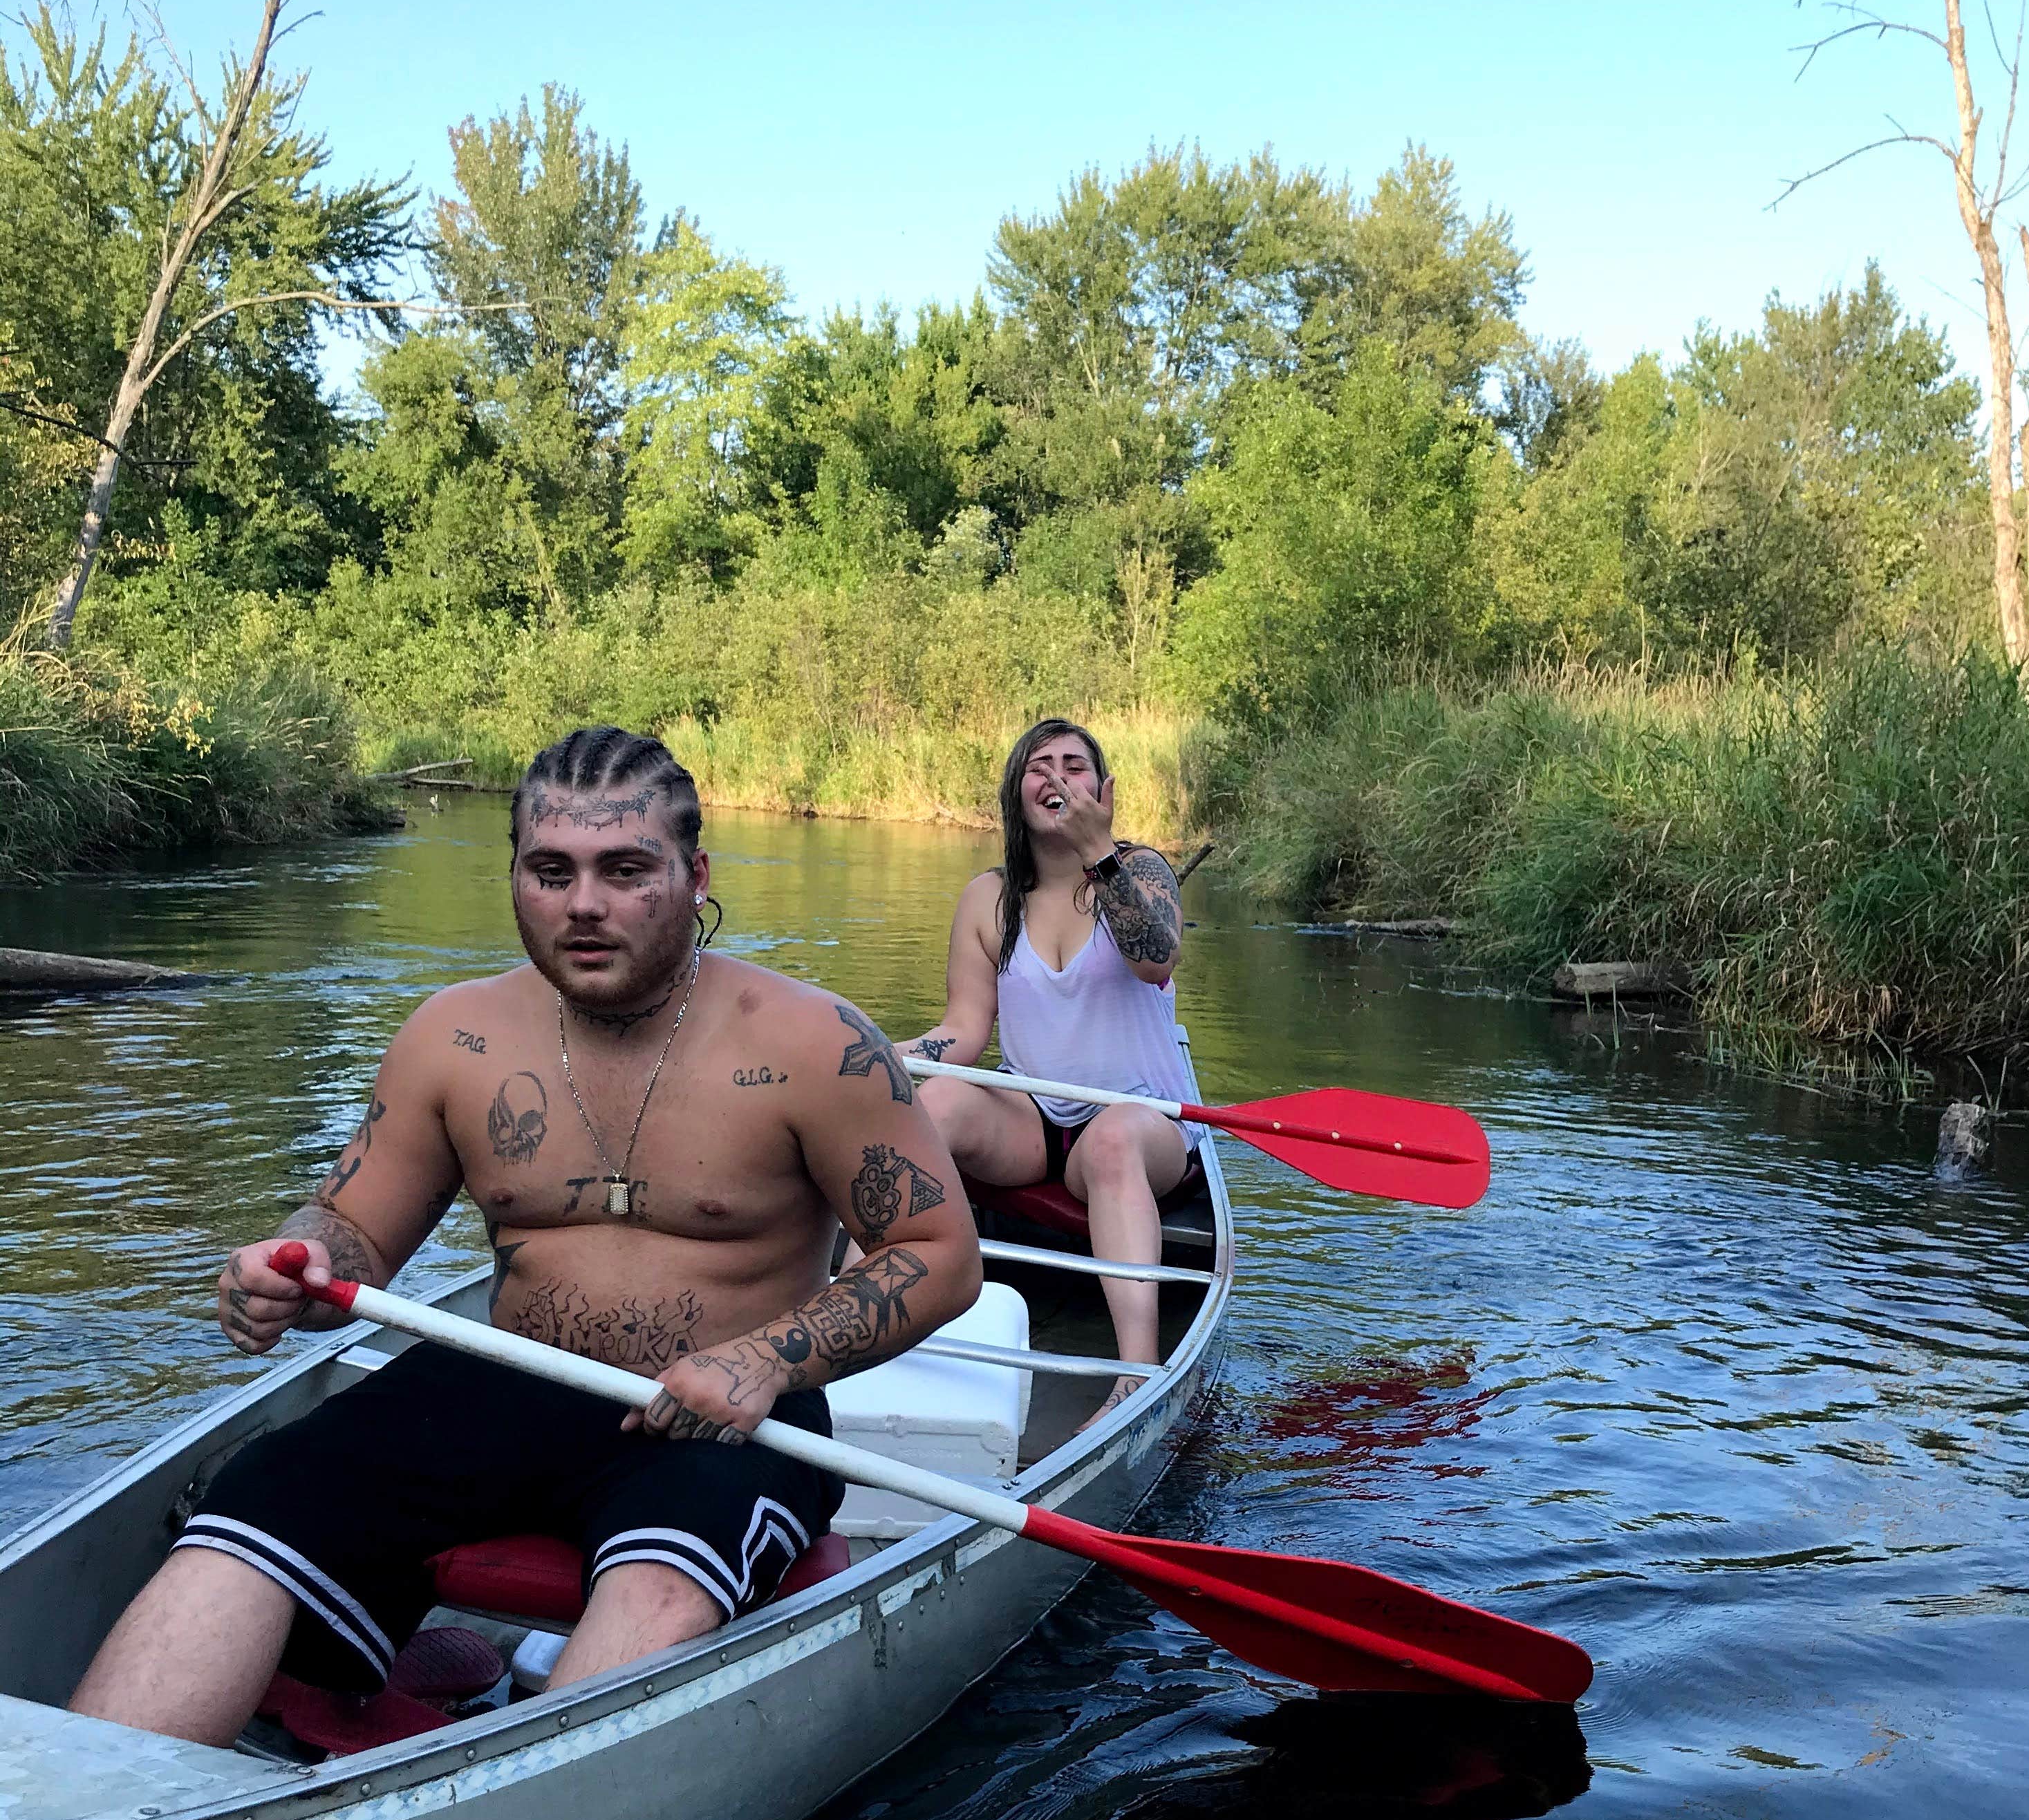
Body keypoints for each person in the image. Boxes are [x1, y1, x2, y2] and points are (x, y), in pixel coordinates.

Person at [72, 725, 980, 1747]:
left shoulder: (817, 1044)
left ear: (694, 876)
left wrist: (766, 1359)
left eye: (624, 870)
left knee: (666, 1568)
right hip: (506, 1382)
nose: (583, 904)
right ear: (515, 874)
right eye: (551, 872)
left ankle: (512, 1815)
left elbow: (938, 1256)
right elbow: (351, 1228)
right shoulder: (455, 1036)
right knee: (259, 1491)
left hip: (724, 1421)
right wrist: (297, 1263)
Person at [894, 717, 1193, 1416]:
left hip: (1144, 1119)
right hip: (1035, 1118)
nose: (1056, 776)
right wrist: (878, 1058)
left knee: (1115, 1138)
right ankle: (856, 1310)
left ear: (1101, 787)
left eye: (1074, 764)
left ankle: (1135, 1377)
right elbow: (963, 1033)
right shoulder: (990, 899)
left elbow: (1157, 958)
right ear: (1016, 791)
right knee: (932, 1104)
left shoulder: (1142, 871)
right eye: (1039, 764)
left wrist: (1100, 852)